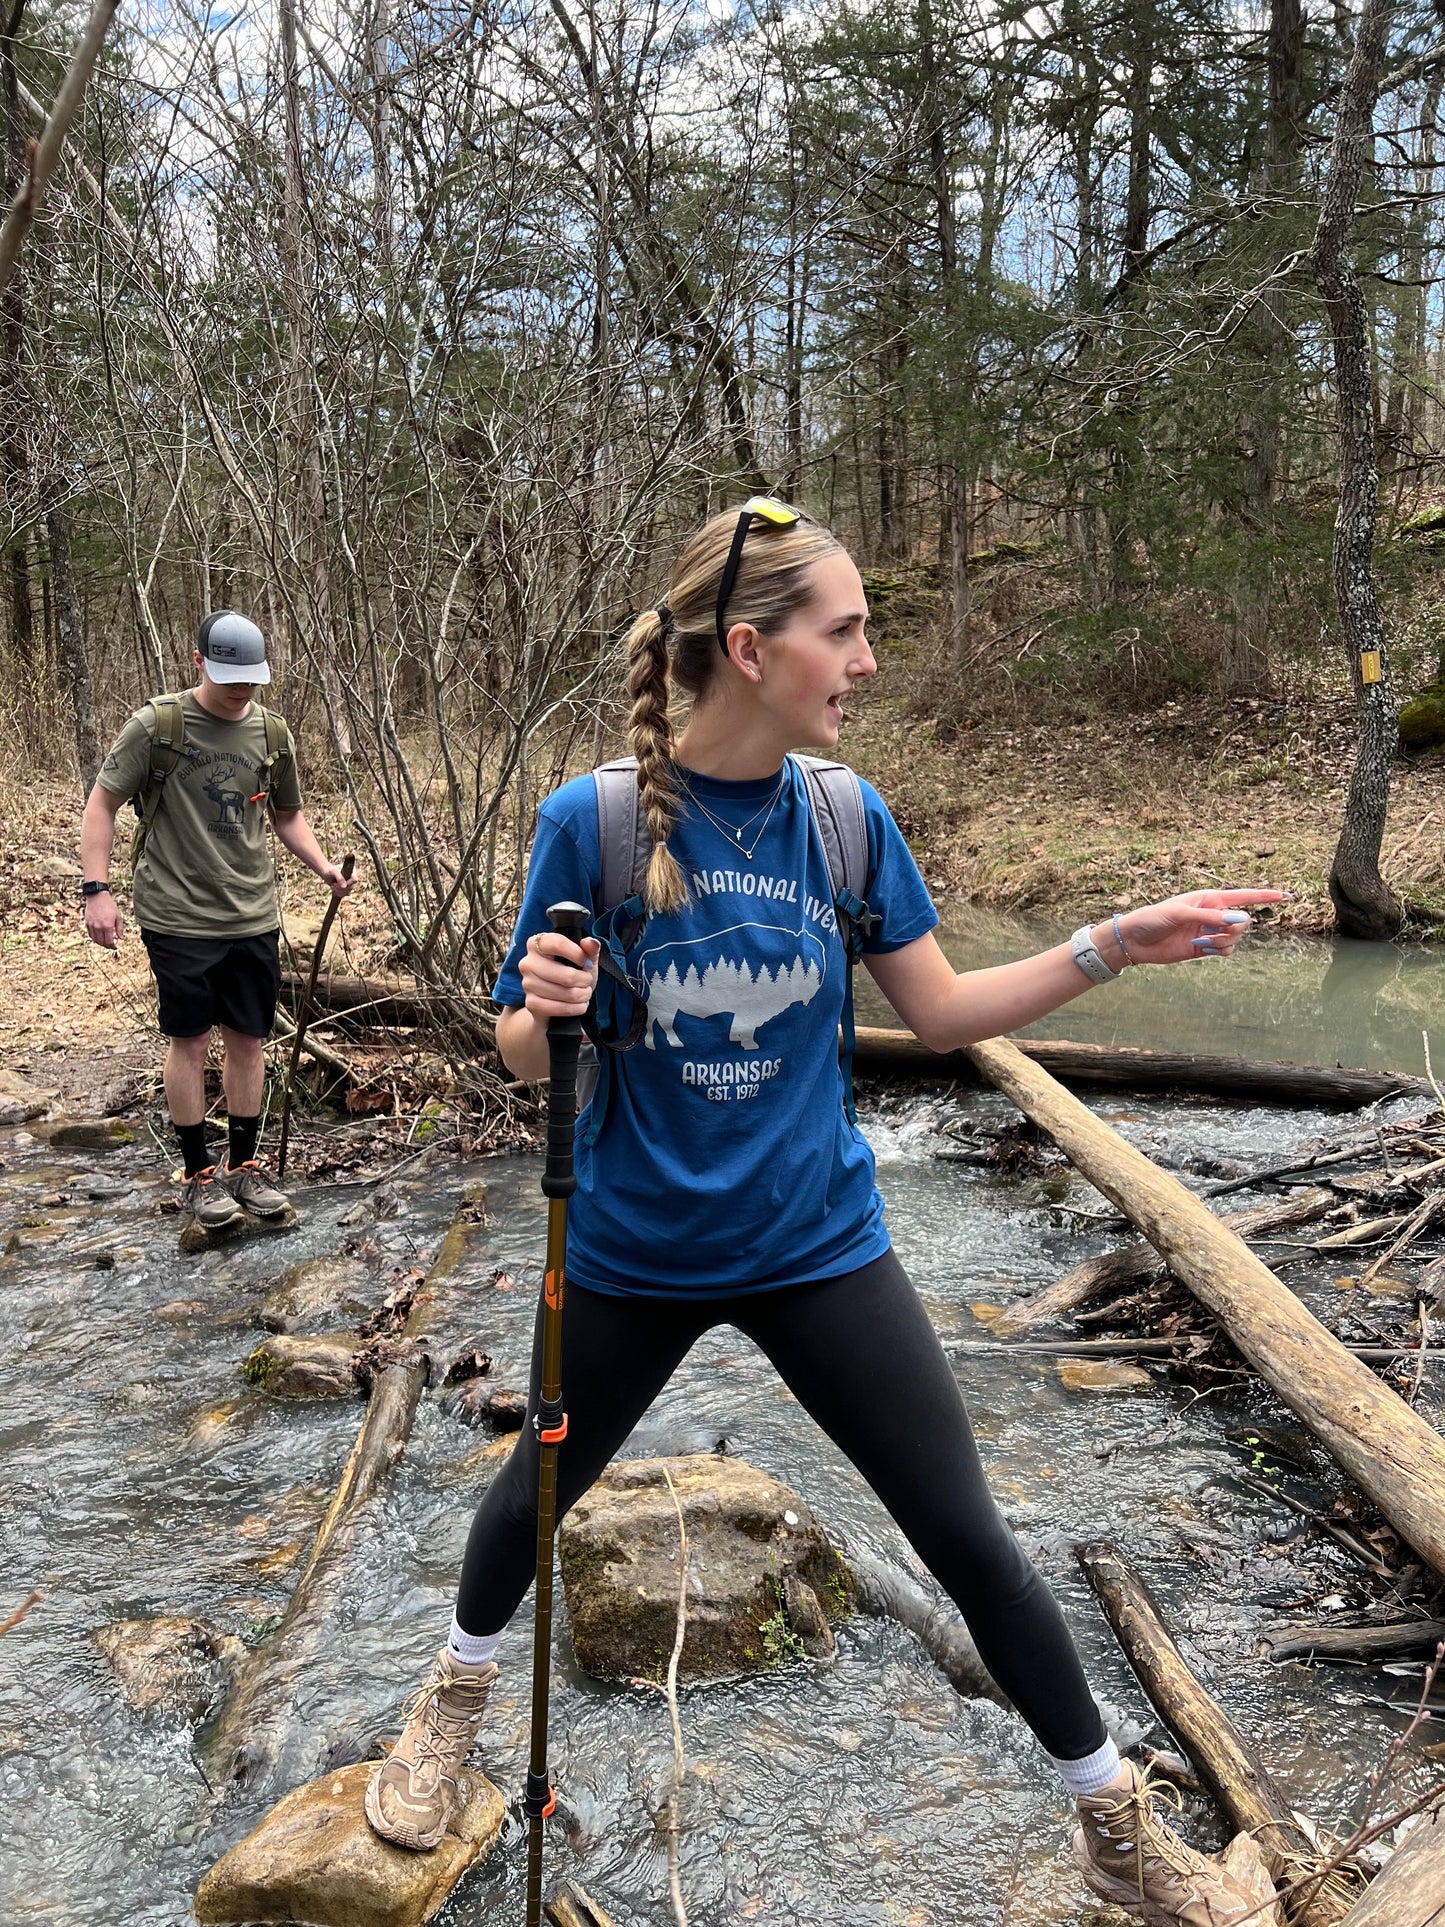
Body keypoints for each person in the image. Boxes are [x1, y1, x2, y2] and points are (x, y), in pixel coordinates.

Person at [364, 501, 1279, 1926]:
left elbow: (944, 1008)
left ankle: (1113, 1823)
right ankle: (450, 1705)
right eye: (844, 631)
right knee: (533, 1495)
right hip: (630, 1245)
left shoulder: (844, 819)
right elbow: (519, 1048)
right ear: (750, 647)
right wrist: (538, 1014)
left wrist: (1109, 941)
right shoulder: (591, 821)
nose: (865, 659)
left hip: (817, 1245)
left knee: (970, 1537)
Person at [79, 610, 355, 1229]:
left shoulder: (272, 733)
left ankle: (245, 1168)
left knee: (248, 1039)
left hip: (252, 912)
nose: (242, 691)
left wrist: (323, 870)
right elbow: (102, 804)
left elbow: (286, 816)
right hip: (177, 913)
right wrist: (96, 889)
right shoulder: (159, 726)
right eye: (232, 677)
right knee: (191, 1039)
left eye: (252, 680)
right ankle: (200, 1175)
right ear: (199, 662)